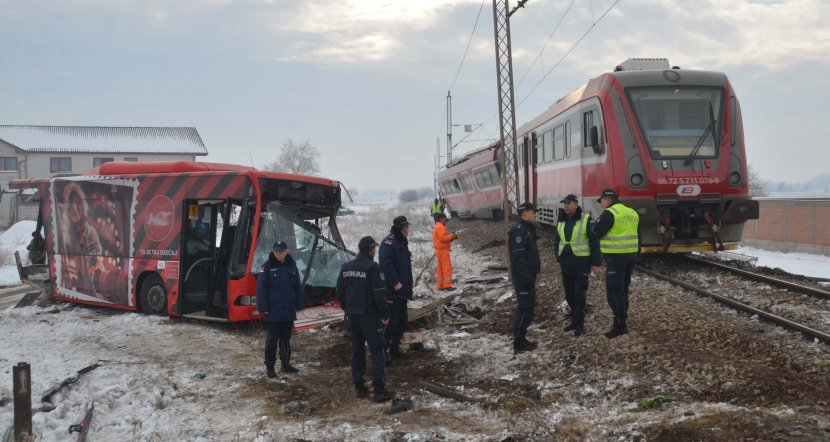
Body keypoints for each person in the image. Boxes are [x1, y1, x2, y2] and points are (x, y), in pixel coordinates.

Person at [335, 236, 395, 402]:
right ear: (371, 250)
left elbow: (339, 294)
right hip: (369, 316)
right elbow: (379, 294)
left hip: (352, 316)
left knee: (357, 349)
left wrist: (348, 309)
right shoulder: (372, 268)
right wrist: (385, 315)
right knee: (377, 350)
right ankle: (379, 390)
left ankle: (359, 387)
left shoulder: (346, 267)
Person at [591, 188, 640, 339]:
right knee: (623, 287)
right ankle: (622, 318)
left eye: (602, 201)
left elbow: (596, 232)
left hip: (615, 257)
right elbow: (638, 234)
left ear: (608, 199)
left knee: (614, 290)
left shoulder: (610, 213)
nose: (601, 205)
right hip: (630, 256)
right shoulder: (632, 212)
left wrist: (593, 225)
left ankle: (620, 324)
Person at [553, 194, 602, 336]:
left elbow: (594, 241)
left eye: (569, 203)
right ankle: (574, 321)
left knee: (579, 295)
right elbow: (557, 241)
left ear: (576, 204)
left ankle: (579, 325)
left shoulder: (586, 219)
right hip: (566, 264)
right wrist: (558, 256)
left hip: (581, 264)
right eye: (565, 203)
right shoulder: (561, 220)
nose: (566, 206)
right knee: (569, 295)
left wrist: (596, 263)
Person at [256, 240, 305, 377]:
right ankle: (270, 367)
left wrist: (300, 304)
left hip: (288, 311)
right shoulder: (266, 267)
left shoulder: (292, 267)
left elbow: (297, 288)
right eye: (275, 251)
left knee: (286, 340)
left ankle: (286, 365)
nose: (278, 254)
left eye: (280, 251)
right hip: (272, 312)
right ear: (273, 251)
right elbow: (261, 290)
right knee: (272, 341)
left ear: (286, 251)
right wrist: (263, 308)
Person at [379, 215, 414, 362]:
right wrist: (395, 283)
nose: (408, 230)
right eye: (406, 227)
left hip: (403, 291)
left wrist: (409, 283)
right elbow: (386, 265)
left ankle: (394, 349)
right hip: (393, 291)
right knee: (391, 322)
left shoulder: (401, 242)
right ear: (400, 228)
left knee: (402, 321)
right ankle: (383, 352)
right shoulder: (389, 242)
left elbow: (405, 265)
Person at [508, 202, 541, 353]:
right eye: (533, 212)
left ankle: (522, 338)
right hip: (523, 277)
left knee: (529, 308)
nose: (535, 214)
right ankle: (518, 342)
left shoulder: (527, 229)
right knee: (525, 308)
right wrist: (526, 278)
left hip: (528, 275)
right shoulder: (519, 231)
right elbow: (518, 258)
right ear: (525, 213)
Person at [432, 213, 459, 291]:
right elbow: (443, 238)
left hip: (439, 250)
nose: (445, 221)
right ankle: (447, 286)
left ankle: (440, 286)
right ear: (441, 219)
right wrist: (451, 236)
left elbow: (442, 239)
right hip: (443, 251)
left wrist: (451, 238)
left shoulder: (437, 226)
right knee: (447, 268)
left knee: (440, 268)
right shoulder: (440, 227)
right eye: (445, 219)